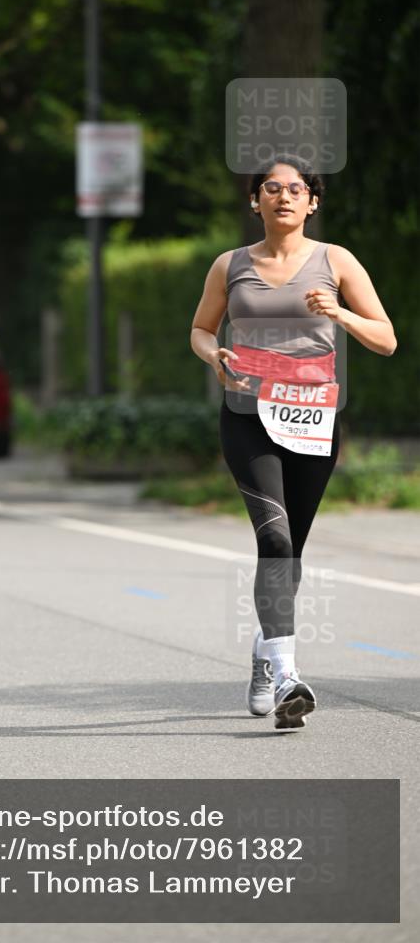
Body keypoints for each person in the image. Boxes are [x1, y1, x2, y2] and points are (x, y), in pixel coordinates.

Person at [189, 154, 397, 729]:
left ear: (313, 202)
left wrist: (340, 314)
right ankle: (287, 675)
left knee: (290, 554)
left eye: (295, 189)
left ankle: (263, 650)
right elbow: (202, 329)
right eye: (271, 188)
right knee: (275, 541)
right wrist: (215, 355)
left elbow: (387, 339)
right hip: (248, 411)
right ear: (254, 201)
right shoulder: (229, 265)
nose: (283, 196)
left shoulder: (336, 262)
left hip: (312, 416)